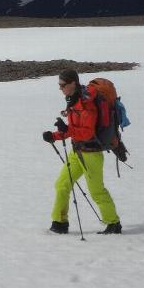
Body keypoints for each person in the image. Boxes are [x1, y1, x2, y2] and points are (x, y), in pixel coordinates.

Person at [42, 69, 122, 234]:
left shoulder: (87, 103)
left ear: (73, 83)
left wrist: (66, 129)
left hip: (91, 154)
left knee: (96, 191)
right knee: (62, 185)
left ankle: (113, 223)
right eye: (59, 85)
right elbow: (74, 130)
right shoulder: (73, 100)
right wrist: (54, 135)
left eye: (62, 85)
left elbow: (87, 132)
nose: (60, 89)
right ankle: (59, 223)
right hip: (77, 151)